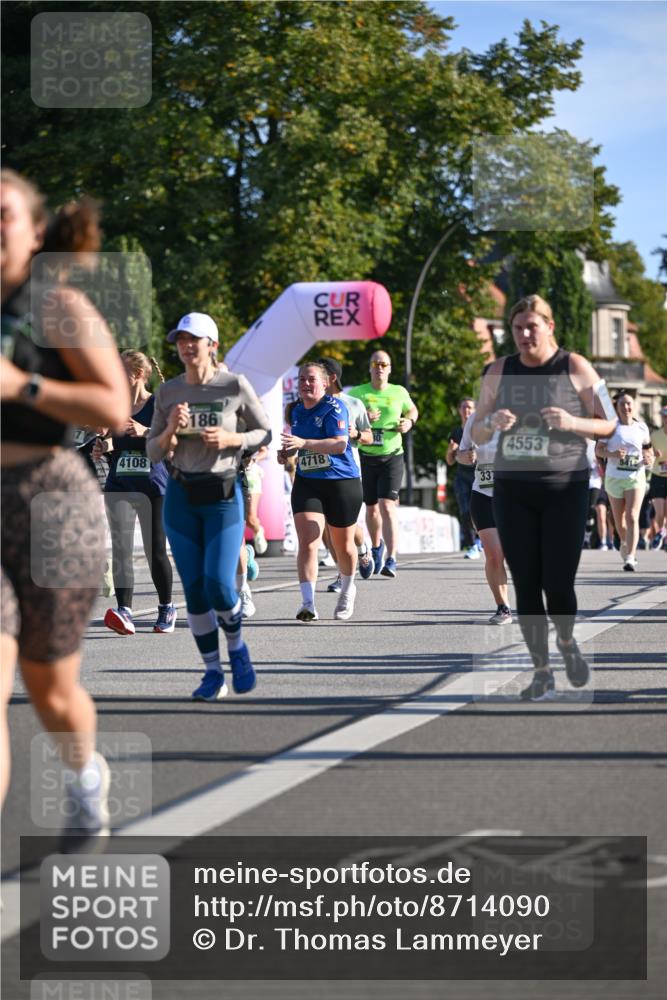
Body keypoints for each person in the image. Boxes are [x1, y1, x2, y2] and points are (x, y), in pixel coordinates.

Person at [1, 169, 130, 838]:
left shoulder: (58, 307)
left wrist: (22, 387)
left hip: (51, 499)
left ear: (35, 231)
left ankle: (83, 776)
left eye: (2, 215)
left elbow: (113, 408)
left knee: (49, 688)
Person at [472, 293, 617, 701]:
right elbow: (477, 430)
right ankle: (541, 670)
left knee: (557, 583)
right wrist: (490, 422)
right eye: (517, 328)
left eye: (531, 327)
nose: (523, 335)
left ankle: (567, 643)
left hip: (564, 489)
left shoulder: (574, 366)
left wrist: (573, 421)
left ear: (549, 327)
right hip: (513, 490)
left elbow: (608, 425)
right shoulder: (499, 370)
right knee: (527, 583)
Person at [147, 312, 271, 701]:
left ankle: (236, 647)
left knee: (219, 583)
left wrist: (231, 439)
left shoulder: (233, 385)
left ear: (211, 345)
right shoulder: (168, 393)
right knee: (196, 591)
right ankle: (212, 673)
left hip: (221, 496)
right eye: (180, 339)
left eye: (193, 340)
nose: (185, 346)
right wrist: (170, 429)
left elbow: (264, 430)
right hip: (181, 497)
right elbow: (152, 451)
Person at [94, 351, 176, 634]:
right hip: (120, 484)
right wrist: (105, 447)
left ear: (139, 374)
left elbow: (171, 442)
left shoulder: (158, 403)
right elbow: (115, 440)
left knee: (155, 551)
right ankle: (124, 610)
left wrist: (146, 431)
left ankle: (166, 606)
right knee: (121, 550)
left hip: (153, 486)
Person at [279, 362, 363, 622]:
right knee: (308, 540)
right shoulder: (295, 411)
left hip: (341, 482)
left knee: (343, 546)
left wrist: (303, 443)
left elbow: (339, 445)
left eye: (311, 379)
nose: (305, 383)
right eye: (302, 379)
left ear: (326, 382)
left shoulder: (335, 408)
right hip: (308, 482)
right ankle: (308, 603)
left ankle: (348, 590)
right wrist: (288, 452)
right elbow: (299, 445)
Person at [347, 349, 418, 577]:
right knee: (371, 507)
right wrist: (364, 417)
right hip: (366, 455)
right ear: (370, 367)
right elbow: (346, 419)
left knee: (387, 505)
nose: (379, 367)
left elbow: (412, 409)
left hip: (392, 454)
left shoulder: (399, 391)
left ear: (389, 369)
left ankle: (392, 558)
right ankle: (376, 547)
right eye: (375, 363)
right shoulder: (359, 393)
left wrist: (409, 421)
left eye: (384, 364)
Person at [317, 357, 374, 594]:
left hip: (347, 471)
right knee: (326, 529)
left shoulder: (353, 404)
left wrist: (357, 434)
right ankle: (343, 573)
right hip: (318, 472)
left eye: (319, 375)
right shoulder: (312, 403)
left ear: (331, 378)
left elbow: (370, 436)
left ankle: (362, 549)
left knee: (343, 527)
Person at [457, 398, 512, 625]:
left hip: (515, 499)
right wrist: (467, 457)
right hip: (483, 495)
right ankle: (503, 607)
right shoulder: (476, 420)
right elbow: (461, 453)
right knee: (494, 554)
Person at [596, 391, 653, 571]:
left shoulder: (642, 428)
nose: (626, 407)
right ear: (617, 407)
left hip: (635, 477)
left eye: (629, 403)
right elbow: (598, 450)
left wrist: (649, 459)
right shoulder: (610, 427)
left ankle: (630, 556)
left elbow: (648, 451)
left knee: (632, 516)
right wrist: (612, 454)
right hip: (614, 478)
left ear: (633, 405)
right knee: (619, 520)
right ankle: (623, 543)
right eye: (622, 404)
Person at [447, 398, 480, 560]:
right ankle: (472, 544)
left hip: (479, 475)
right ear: (459, 410)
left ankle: (481, 539)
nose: (467, 410)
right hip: (462, 476)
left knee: (479, 509)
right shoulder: (456, 432)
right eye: (464, 407)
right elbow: (450, 461)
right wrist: (451, 451)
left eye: (470, 407)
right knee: (465, 511)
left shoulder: (482, 429)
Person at [648, 404, 667, 550]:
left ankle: (663, 535)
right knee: (660, 513)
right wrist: (654, 454)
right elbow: (648, 454)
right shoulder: (654, 435)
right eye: (664, 416)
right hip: (657, 476)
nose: (666, 419)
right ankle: (660, 533)